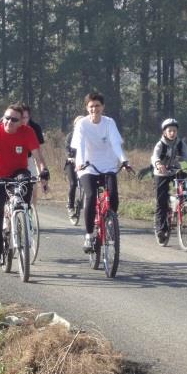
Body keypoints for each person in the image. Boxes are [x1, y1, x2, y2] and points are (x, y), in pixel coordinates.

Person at [0, 103, 50, 266]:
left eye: (14, 119)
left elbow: (37, 155)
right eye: (6, 118)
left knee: (25, 189)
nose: (9, 122)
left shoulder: (27, 132)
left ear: (21, 122)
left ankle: (21, 220)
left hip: (18, 172)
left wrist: (44, 170)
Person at [71, 92, 132, 253]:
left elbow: (115, 143)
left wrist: (124, 160)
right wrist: (82, 162)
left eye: (97, 105)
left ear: (102, 107)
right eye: (91, 106)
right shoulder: (82, 124)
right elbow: (81, 146)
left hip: (108, 165)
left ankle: (110, 221)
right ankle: (89, 235)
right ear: (87, 108)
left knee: (113, 194)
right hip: (87, 166)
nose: (94, 109)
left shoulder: (109, 123)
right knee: (91, 196)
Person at [150, 118, 187, 245]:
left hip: (177, 169)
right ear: (164, 132)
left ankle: (180, 203)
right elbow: (154, 156)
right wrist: (158, 164)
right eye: (169, 131)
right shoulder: (160, 144)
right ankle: (161, 229)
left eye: (174, 131)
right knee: (161, 201)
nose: (172, 133)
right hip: (162, 172)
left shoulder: (180, 143)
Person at [21, 104, 46, 203]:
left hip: (29, 158)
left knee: (33, 188)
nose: (23, 120)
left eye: (25, 117)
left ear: (29, 117)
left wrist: (43, 172)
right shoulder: (10, 125)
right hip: (11, 159)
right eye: (21, 117)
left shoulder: (35, 128)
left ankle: (30, 215)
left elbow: (39, 153)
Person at [64, 116, 83, 217]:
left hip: (84, 163)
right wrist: (70, 157)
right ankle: (70, 206)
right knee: (73, 183)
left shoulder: (87, 135)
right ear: (75, 125)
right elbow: (67, 148)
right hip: (71, 163)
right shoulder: (70, 136)